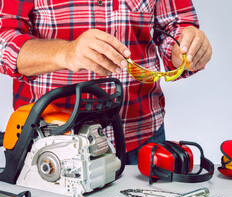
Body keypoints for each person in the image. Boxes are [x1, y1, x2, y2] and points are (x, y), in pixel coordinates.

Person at [0, 0, 212, 164]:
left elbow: (176, 26)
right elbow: (3, 39)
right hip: (51, 140)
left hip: (141, 139)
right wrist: (66, 52)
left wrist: (184, 50)